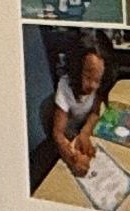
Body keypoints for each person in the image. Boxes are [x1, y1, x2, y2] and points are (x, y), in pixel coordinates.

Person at [32, 36, 109, 189]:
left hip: (81, 130)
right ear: (76, 68)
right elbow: (58, 134)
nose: (93, 86)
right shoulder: (64, 89)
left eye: (98, 80)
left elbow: (95, 112)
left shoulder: (97, 88)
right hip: (66, 135)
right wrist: (72, 158)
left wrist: (85, 132)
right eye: (88, 77)